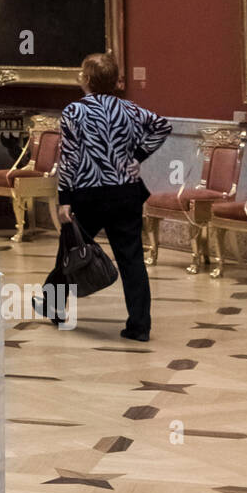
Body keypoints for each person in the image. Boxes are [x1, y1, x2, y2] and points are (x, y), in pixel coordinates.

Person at [40, 52, 171, 342]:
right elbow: (162, 125)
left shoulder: (75, 111)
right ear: (115, 81)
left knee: (71, 252)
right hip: (126, 192)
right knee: (132, 259)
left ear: (85, 79)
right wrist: (137, 156)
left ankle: (53, 305)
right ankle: (139, 326)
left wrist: (64, 199)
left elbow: (69, 159)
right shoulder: (130, 109)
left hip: (88, 194)